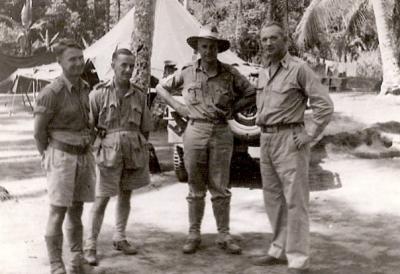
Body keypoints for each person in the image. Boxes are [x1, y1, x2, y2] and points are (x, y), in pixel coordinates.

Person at [156, 26, 255, 255]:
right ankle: (194, 234)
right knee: (195, 187)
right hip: (195, 131)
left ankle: (224, 235)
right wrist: (179, 106)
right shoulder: (188, 72)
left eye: (212, 46)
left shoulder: (230, 73)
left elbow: (251, 93)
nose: (208, 50)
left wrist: (233, 108)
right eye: (204, 46)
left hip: (221, 132)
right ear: (198, 48)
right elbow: (161, 87)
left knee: (220, 187)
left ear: (218, 49)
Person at [252, 22, 334, 274]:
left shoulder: (299, 69)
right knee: (273, 198)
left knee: (295, 202)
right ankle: (278, 248)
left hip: (290, 140)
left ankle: (298, 259)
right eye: (264, 39)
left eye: (273, 38)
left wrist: (309, 134)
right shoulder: (263, 71)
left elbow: (324, 105)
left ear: (285, 40)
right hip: (266, 140)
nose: (268, 43)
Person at [83, 48, 152, 266]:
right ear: (113, 65)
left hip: (132, 153)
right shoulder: (98, 94)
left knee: (126, 196)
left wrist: (136, 145)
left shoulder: (140, 95)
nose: (128, 69)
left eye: (131, 65)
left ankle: (120, 237)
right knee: (101, 199)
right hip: (108, 155)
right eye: (123, 65)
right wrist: (99, 147)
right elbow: (87, 127)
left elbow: (146, 128)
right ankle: (90, 245)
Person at [33, 39, 95, 274]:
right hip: (61, 157)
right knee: (58, 211)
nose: (78, 63)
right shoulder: (51, 93)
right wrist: (47, 156)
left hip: (82, 156)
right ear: (59, 61)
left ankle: (76, 258)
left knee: (77, 210)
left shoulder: (84, 87)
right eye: (72, 59)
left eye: (80, 58)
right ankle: (56, 263)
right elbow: (39, 132)